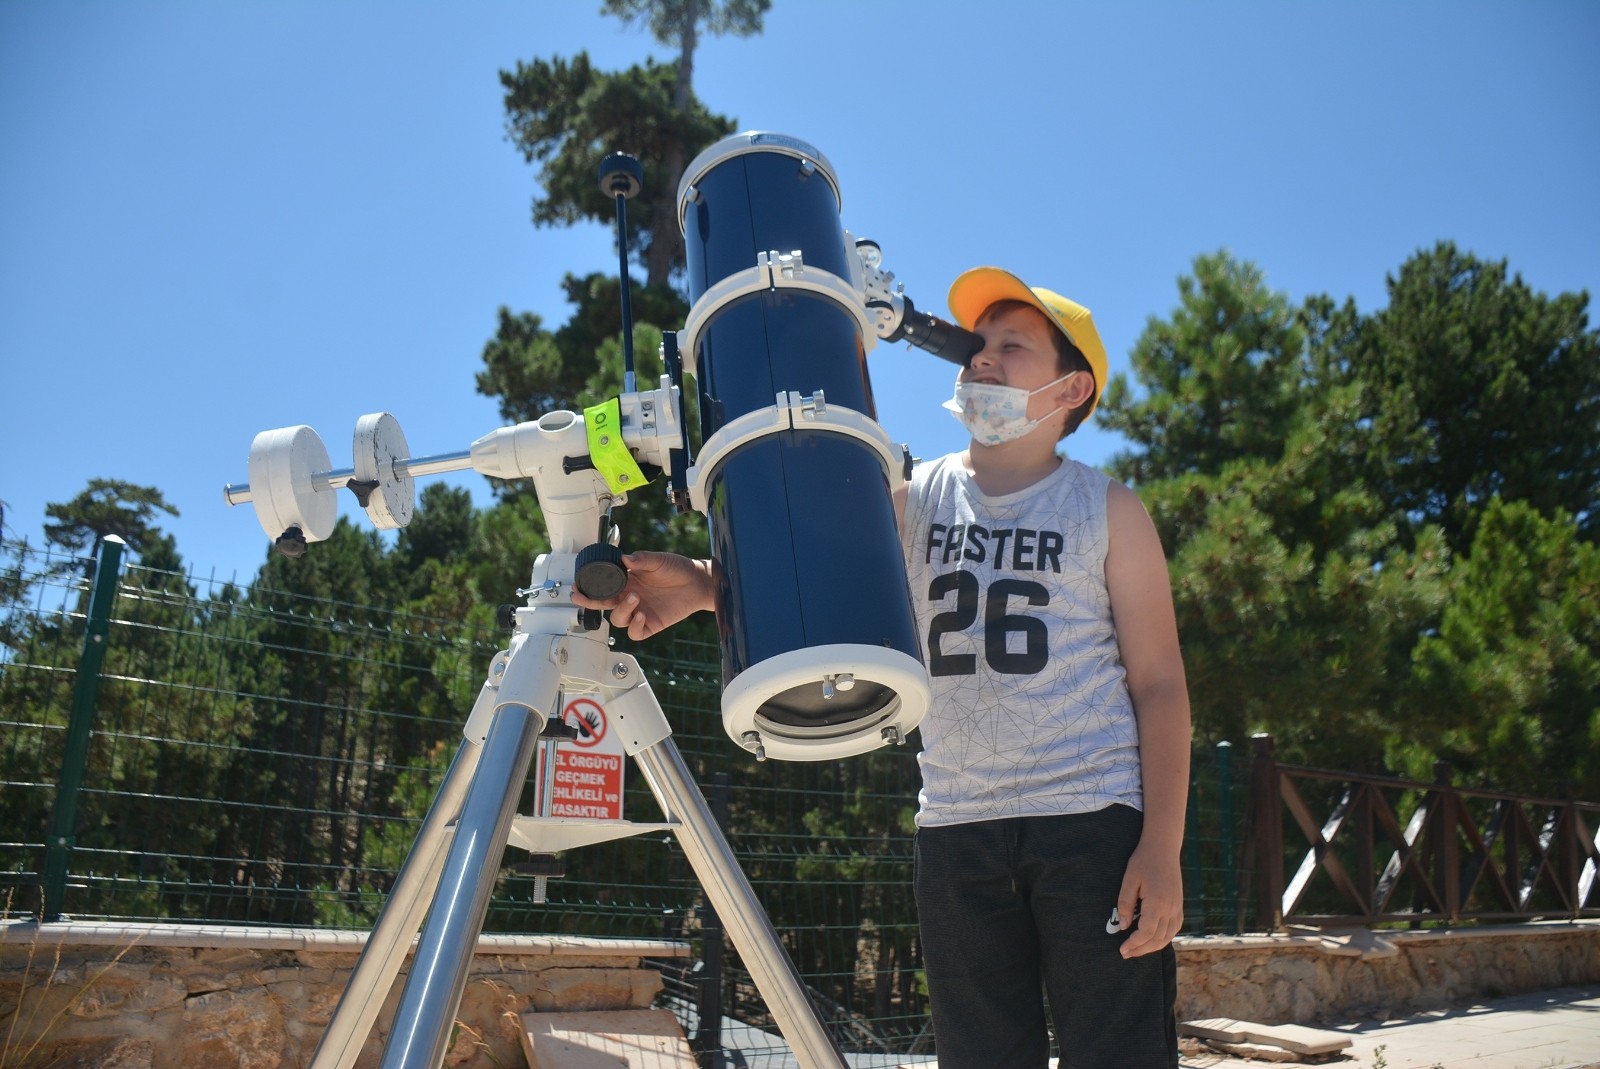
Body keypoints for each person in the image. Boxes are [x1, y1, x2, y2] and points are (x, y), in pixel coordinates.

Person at [575, 267, 1191, 1069]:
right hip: (957, 828)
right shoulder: (912, 496)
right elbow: (819, 598)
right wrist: (700, 584)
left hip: (1093, 823)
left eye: (1012, 346)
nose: (981, 359)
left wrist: (1161, 848)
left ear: (1072, 389)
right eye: (977, 346)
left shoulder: (1110, 509)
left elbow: (1160, 685)